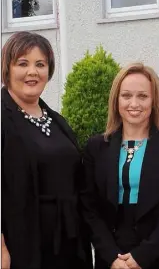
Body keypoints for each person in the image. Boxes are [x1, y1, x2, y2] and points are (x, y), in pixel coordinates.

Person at [80, 62, 159, 269]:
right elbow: (89, 207)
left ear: (154, 101)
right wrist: (111, 256)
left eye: (142, 96)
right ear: (116, 100)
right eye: (126, 96)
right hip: (112, 258)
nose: (134, 103)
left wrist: (142, 256)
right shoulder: (96, 147)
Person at [1, 31, 93, 269]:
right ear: (7, 69)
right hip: (22, 245)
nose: (33, 71)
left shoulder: (57, 120)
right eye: (23, 63)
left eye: (40, 64)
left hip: (68, 243)